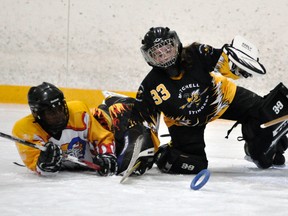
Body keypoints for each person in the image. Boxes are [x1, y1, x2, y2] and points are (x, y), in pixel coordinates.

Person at [127, 27, 288, 175]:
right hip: (184, 123)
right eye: (157, 54)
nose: (164, 56)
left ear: (175, 44)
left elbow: (221, 60)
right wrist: (141, 151)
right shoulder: (149, 86)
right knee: (195, 165)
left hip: (222, 99)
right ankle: (165, 154)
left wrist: (234, 65)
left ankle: (256, 146)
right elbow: (143, 123)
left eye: (167, 49)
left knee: (270, 117)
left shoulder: (195, 53)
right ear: (149, 57)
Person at [12, 82, 118, 176]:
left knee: (116, 121)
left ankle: (113, 100)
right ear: (37, 114)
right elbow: (38, 166)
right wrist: (44, 164)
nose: (58, 115)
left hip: (104, 120)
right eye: (51, 112)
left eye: (60, 108)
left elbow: (103, 137)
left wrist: (107, 155)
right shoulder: (24, 130)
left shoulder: (79, 113)